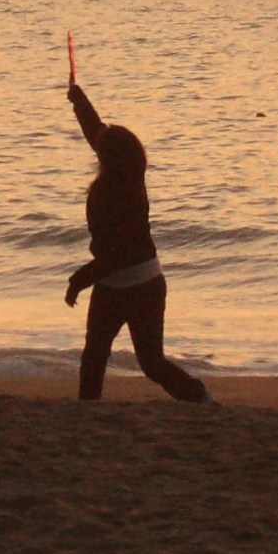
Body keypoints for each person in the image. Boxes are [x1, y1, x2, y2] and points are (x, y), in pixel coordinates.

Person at [64, 76, 208, 402]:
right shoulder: (131, 175)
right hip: (147, 281)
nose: (96, 143)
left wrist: (78, 280)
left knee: (111, 357)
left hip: (127, 284)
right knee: (137, 360)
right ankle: (200, 399)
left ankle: (198, 398)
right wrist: (78, 99)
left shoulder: (112, 196)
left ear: (109, 159)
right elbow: (95, 130)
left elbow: (116, 256)